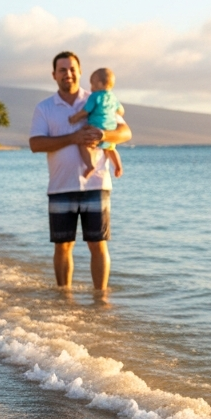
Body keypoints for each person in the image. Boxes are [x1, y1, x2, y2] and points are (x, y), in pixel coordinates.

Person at [29, 51, 132, 291]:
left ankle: (101, 299)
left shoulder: (99, 98)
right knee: (62, 246)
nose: (68, 73)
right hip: (60, 186)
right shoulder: (44, 108)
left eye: (72, 68)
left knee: (99, 244)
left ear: (80, 72)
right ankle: (64, 298)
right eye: (62, 69)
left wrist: (103, 134)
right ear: (54, 75)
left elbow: (126, 132)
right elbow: (36, 144)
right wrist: (74, 137)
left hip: (96, 184)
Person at [68, 67, 125, 177]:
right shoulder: (113, 97)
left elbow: (86, 111)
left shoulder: (94, 96)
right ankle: (118, 166)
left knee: (84, 145)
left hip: (95, 127)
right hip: (110, 129)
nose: (91, 88)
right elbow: (121, 111)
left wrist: (75, 118)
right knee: (110, 148)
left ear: (99, 84)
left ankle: (90, 165)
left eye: (92, 84)